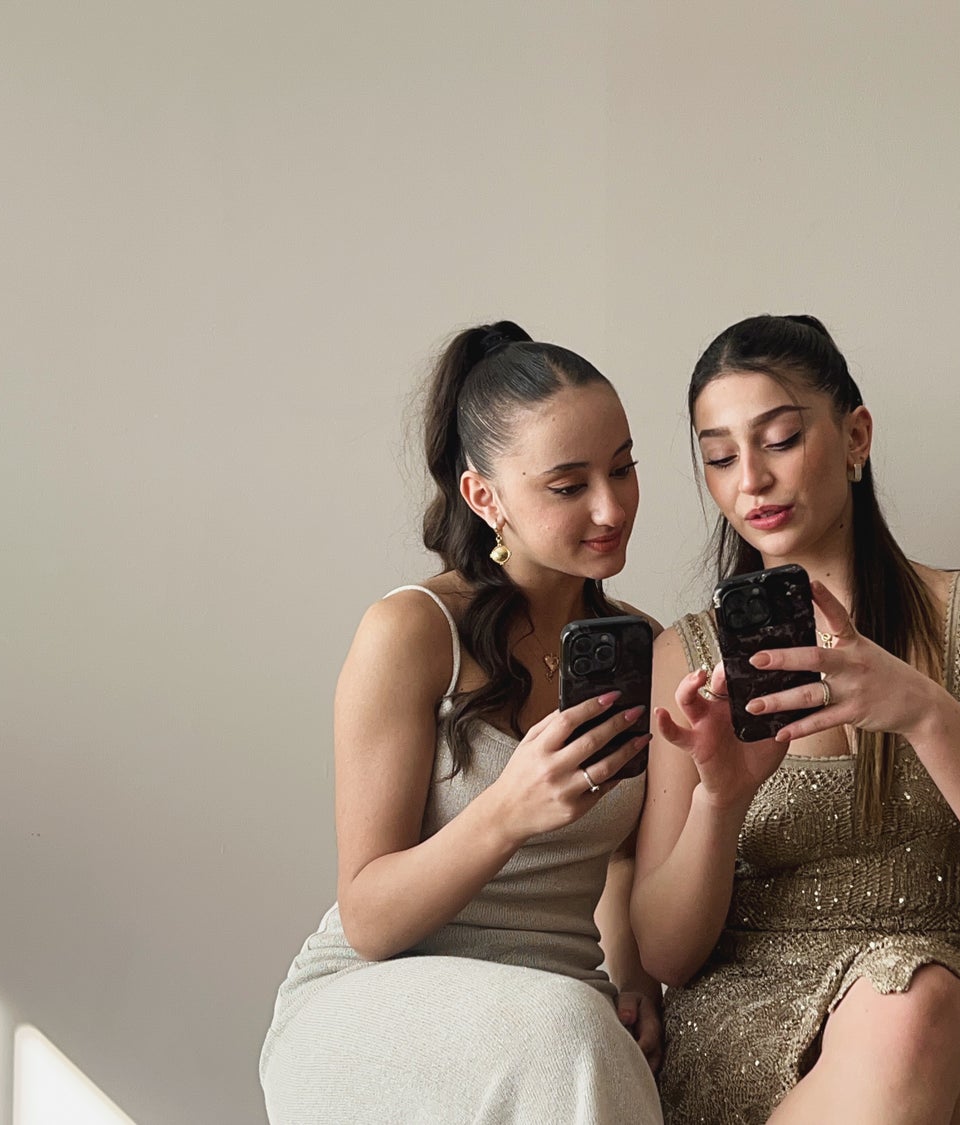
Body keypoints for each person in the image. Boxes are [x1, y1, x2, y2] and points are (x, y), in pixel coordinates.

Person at [633, 314, 960, 1124]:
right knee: (898, 1018)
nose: (752, 481)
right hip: (746, 1032)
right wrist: (721, 800)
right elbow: (664, 953)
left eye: (777, 439)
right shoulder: (688, 656)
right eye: (720, 457)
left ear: (855, 436)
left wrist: (923, 711)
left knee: (904, 1001)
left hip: (949, 1007)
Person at [260, 322, 664, 1125]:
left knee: (587, 1036)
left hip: (556, 1002)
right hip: (371, 1003)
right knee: (570, 1037)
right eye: (568, 484)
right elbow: (369, 915)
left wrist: (634, 981)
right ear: (485, 497)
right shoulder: (411, 631)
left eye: (623, 468)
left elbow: (623, 859)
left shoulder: (643, 647)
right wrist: (509, 809)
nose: (611, 506)